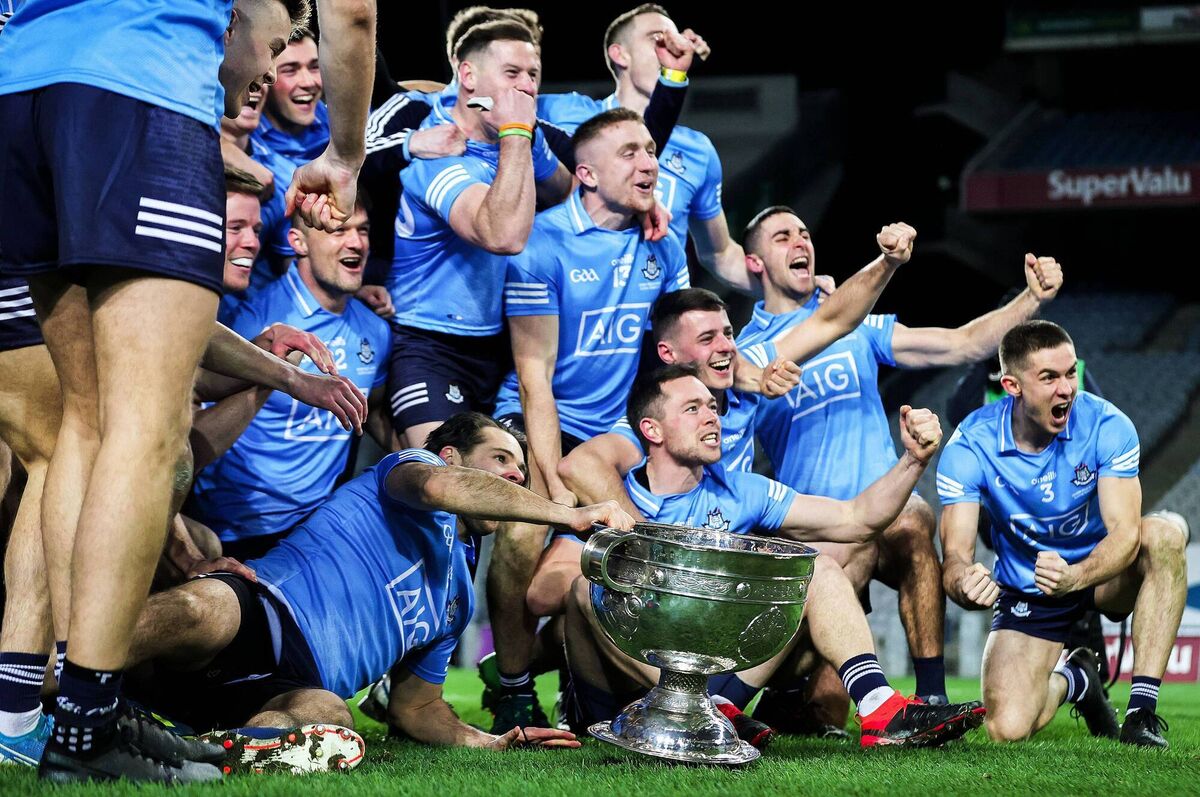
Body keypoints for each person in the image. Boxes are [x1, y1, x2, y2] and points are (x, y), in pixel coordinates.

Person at [0, 0, 376, 780]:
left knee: (83, 422)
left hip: (23, 87)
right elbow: (353, 12)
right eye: (274, 51)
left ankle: (68, 702)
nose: (269, 73)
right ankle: (87, 721)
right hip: (139, 86)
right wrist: (345, 150)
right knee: (147, 427)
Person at [125, 413, 630, 772]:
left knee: (327, 720)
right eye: (499, 458)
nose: (515, 476)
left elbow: (417, 709)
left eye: (520, 471)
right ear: (450, 456)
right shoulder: (407, 472)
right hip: (262, 609)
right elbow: (439, 488)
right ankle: (57, 680)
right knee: (204, 606)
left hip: (294, 683)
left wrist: (496, 742)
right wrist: (569, 515)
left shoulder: (457, 603)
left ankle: (202, 753)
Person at [736, 207, 1064, 710]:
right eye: (783, 237)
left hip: (881, 508)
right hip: (814, 530)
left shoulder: (859, 326)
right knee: (818, 709)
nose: (801, 241)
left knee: (914, 519)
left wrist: (1031, 299)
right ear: (754, 262)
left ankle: (931, 697)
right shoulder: (744, 356)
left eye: (805, 232)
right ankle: (774, 693)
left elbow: (963, 343)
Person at [562, 365, 987, 748]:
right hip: (631, 695)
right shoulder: (616, 502)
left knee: (814, 567)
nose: (712, 415)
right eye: (693, 408)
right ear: (652, 430)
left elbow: (855, 518)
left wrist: (913, 461)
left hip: (722, 673)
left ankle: (878, 707)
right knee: (583, 586)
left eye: (713, 406)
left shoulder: (743, 490)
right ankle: (686, 711)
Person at [937, 320, 1188, 748]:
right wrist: (964, 580)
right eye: (1049, 377)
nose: (1067, 388)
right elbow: (955, 556)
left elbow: (1126, 535)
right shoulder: (970, 445)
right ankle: (1077, 679)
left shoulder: (1107, 425)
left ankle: (1141, 714)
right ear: (1012, 385)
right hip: (1028, 588)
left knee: (1163, 536)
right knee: (1006, 728)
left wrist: (1077, 575)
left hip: (1104, 573)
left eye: (1070, 372)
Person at [191, 201, 391, 560]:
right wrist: (277, 374)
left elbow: (372, 410)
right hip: (236, 528)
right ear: (298, 242)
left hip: (317, 529)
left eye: (362, 230)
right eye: (338, 231)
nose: (356, 242)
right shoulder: (250, 321)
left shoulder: (375, 330)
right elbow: (195, 430)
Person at [538, 5, 750, 289]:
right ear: (620, 54)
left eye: (675, 38)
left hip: (659, 315)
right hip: (575, 299)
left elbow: (720, 253)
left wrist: (800, 292)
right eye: (657, 38)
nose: (671, 46)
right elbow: (496, 102)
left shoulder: (698, 150)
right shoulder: (560, 113)